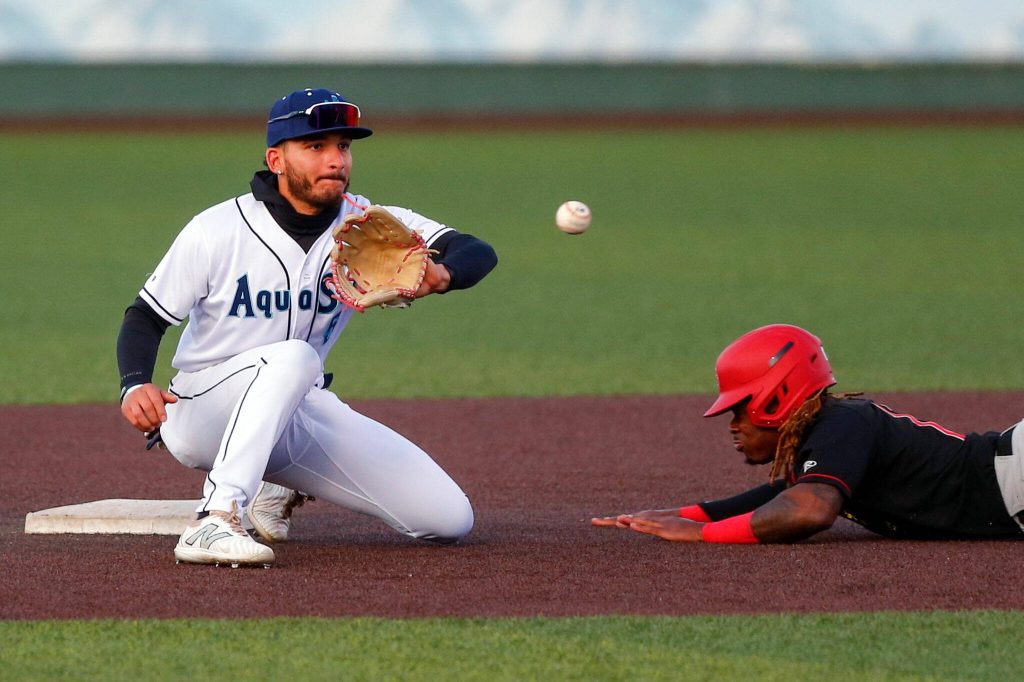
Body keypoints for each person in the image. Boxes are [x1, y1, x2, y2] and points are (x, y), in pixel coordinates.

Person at [117, 87, 498, 567]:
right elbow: (145, 317)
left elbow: (477, 250)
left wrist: (443, 274)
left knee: (448, 520)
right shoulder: (217, 230)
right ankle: (214, 518)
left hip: (295, 408)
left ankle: (273, 485)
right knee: (294, 355)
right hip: (200, 410)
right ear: (277, 159)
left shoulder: (368, 224)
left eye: (343, 146)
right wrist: (134, 385)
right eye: (316, 147)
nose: (335, 159)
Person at [592, 324, 1024, 543]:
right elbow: (773, 498)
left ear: (774, 398)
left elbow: (807, 510)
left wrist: (698, 534)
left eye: (739, 409)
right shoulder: (832, 434)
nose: (733, 425)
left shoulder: (842, 425)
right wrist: (671, 516)